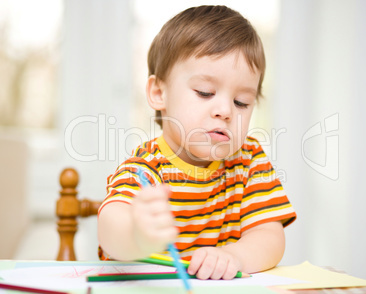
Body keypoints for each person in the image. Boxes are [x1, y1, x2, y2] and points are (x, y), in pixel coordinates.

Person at [97, 5, 296, 280]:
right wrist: (136, 233)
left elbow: (269, 235)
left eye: (242, 102)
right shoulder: (146, 166)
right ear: (158, 93)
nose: (225, 110)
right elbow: (111, 229)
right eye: (205, 93)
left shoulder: (249, 160)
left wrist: (235, 256)